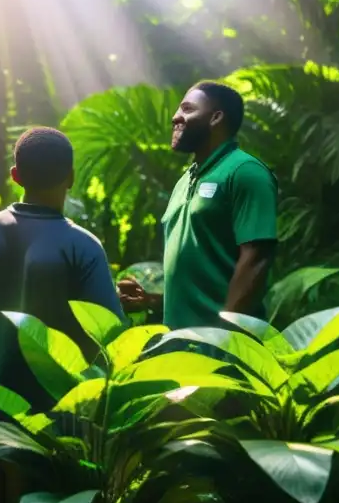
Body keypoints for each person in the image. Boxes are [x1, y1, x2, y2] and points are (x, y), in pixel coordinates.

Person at [0, 126, 124, 503]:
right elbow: (105, 343)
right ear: (70, 177)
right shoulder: (83, 246)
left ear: (15, 175)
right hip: (50, 437)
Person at [119, 81, 278, 329]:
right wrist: (151, 301)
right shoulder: (185, 180)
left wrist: (225, 337)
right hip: (181, 345)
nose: (175, 117)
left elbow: (256, 258)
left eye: (187, 109)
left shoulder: (246, 172)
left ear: (215, 118)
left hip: (224, 348)